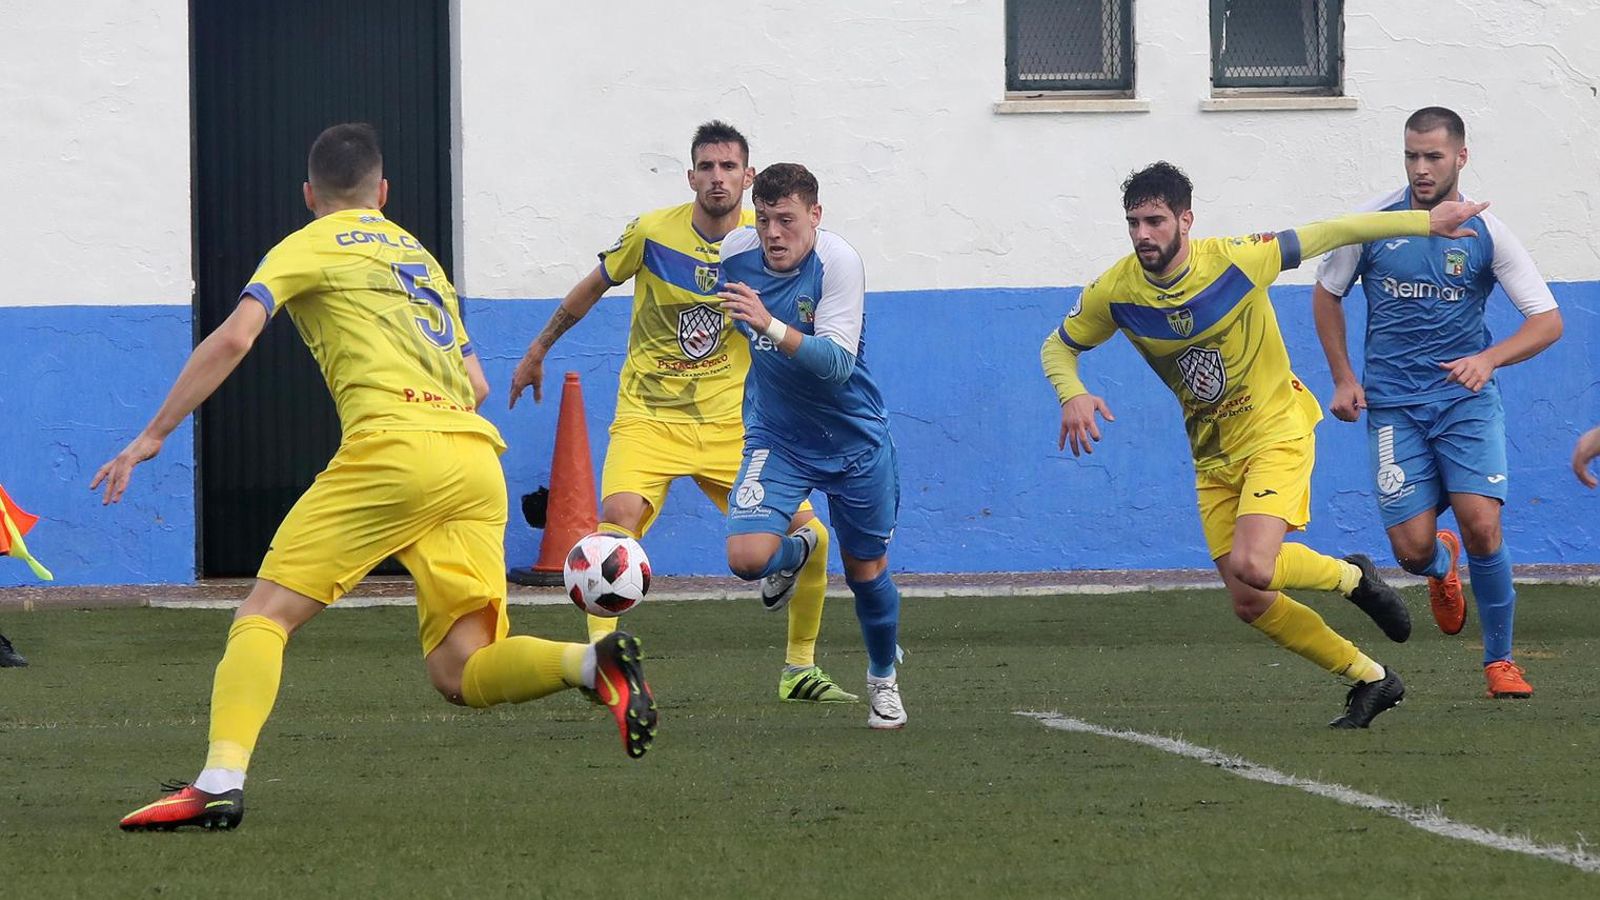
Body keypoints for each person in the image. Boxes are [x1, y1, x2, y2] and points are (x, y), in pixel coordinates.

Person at [93, 123, 656, 832]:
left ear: (309, 194)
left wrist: (153, 434)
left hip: (394, 450)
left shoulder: (306, 244)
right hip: (474, 458)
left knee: (263, 616)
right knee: (461, 670)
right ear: (382, 193)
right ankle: (590, 664)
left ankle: (218, 781)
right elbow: (477, 382)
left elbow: (236, 335)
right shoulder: (421, 258)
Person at [1042, 161, 1486, 728]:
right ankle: (1372, 679)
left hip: (1277, 430)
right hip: (1213, 455)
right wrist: (1071, 393)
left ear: (1186, 220)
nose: (1143, 235)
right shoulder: (1116, 290)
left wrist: (1424, 221)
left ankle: (1353, 577)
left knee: (1255, 563)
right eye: (1133, 223)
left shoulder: (1236, 258)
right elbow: (1057, 348)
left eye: (1155, 221)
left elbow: (1334, 231)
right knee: (1250, 601)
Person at [509, 122, 852, 704]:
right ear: (690, 175)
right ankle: (603, 664)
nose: (717, 178)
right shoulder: (651, 233)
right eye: (706, 167)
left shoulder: (763, 240)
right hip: (649, 417)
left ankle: (800, 669)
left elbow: (808, 316)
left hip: (733, 426)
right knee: (614, 524)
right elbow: (592, 287)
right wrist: (539, 347)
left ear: (748, 177)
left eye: (728, 168)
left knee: (811, 534)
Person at [1313, 107, 1562, 700]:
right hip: (1395, 409)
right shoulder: (1374, 224)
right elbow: (1326, 296)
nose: (1421, 169)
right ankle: (1439, 570)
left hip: (1463, 403)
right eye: (1411, 156)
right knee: (1411, 549)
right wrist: (1345, 378)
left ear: (1460, 157)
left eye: (1433, 157)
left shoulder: (1488, 231)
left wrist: (1489, 359)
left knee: (1482, 524)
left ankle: (1499, 663)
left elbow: (1547, 321)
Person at [717, 163, 907, 729]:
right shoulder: (735, 252)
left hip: (853, 438)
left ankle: (882, 680)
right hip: (778, 436)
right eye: (766, 219)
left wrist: (768, 323)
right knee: (746, 559)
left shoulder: (839, 263)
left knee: (866, 570)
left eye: (788, 220)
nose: (774, 233)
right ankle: (795, 553)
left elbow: (834, 365)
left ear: (815, 217)